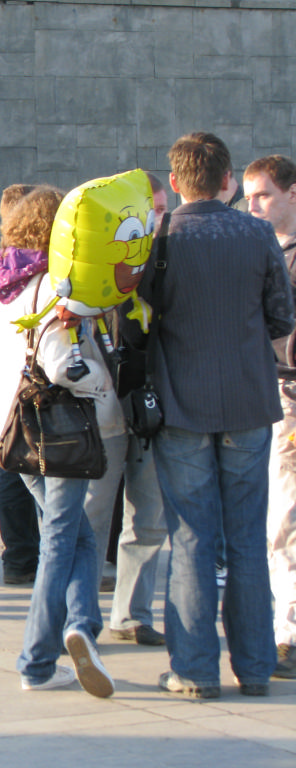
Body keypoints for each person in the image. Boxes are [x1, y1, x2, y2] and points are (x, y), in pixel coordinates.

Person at [147, 133, 293, 698]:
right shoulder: (257, 233)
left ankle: (194, 669)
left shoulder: (160, 237)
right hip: (249, 401)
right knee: (248, 538)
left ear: (176, 182)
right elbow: (282, 318)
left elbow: (140, 321)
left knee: (191, 538)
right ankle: (254, 667)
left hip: (182, 403)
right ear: (228, 180)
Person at [0, 185, 117, 698]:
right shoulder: (55, 286)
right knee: (61, 538)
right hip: (57, 428)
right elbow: (62, 366)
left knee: (76, 535)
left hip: (11, 424)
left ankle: (81, 626)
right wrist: (102, 385)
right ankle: (38, 659)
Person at [108, 170, 169, 647]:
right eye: (152, 212)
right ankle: (73, 617)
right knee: (90, 518)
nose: (158, 221)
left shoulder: (171, 261)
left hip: (151, 407)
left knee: (146, 515)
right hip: (107, 405)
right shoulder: (107, 267)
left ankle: (131, 614)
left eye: (163, 212)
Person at [243, 154, 296, 679]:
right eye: (248, 197)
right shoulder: (260, 251)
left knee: (285, 520)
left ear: (292, 194)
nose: (253, 206)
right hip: (265, 396)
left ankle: (290, 635)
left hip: (288, 394)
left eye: (263, 195)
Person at [0, 183, 40, 585]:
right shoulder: (35, 272)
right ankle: (45, 559)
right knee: (48, 488)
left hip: (8, 389)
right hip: (35, 387)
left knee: (13, 473)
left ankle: (19, 560)